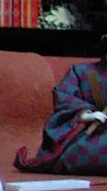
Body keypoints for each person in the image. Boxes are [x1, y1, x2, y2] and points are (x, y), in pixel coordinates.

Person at [15, 37, 107, 174]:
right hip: (92, 131)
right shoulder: (81, 72)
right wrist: (87, 115)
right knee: (82, 152)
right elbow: (65, 96)